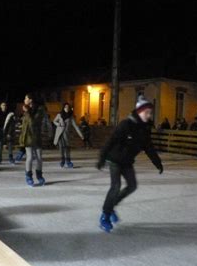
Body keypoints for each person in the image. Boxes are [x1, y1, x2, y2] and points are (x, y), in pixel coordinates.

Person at [96, 96, 163, 232]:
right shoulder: (126, 124)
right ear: (139, 111)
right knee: (116, 186)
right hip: (114, 160)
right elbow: (111, 140)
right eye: (147, 112)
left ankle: (111, 205)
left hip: (127, 162)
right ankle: (105, 215)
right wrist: (102, 158)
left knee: (132, 186)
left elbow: (149, 147)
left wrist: (158, 163)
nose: (149, 115)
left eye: (150, 113)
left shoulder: (144, 129)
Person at [19, 93, 46, 186]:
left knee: (39, 157)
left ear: (31, 100)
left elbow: (33, 124)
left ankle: (39, 175)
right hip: (28, 137)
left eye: (25, 98)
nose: (24, 100)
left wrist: (27, 112)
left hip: (36, 136)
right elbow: (25, 126)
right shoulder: (26, 110)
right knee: (29, 157)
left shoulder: (40, 109)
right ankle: (28, 176)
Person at [53, 103, 84, 168]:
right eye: (65, 107)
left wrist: (81, 135)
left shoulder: (71, 117)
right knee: (61, 148)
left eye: (68, 107)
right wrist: (58, 124)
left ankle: (68, 161)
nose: (66, 108)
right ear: (63, 108)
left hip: (66, 134)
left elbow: (76, 126)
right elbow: (54, 121)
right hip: (59, 134)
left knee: (67, 148)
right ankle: (62, 160)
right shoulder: (59, 115)